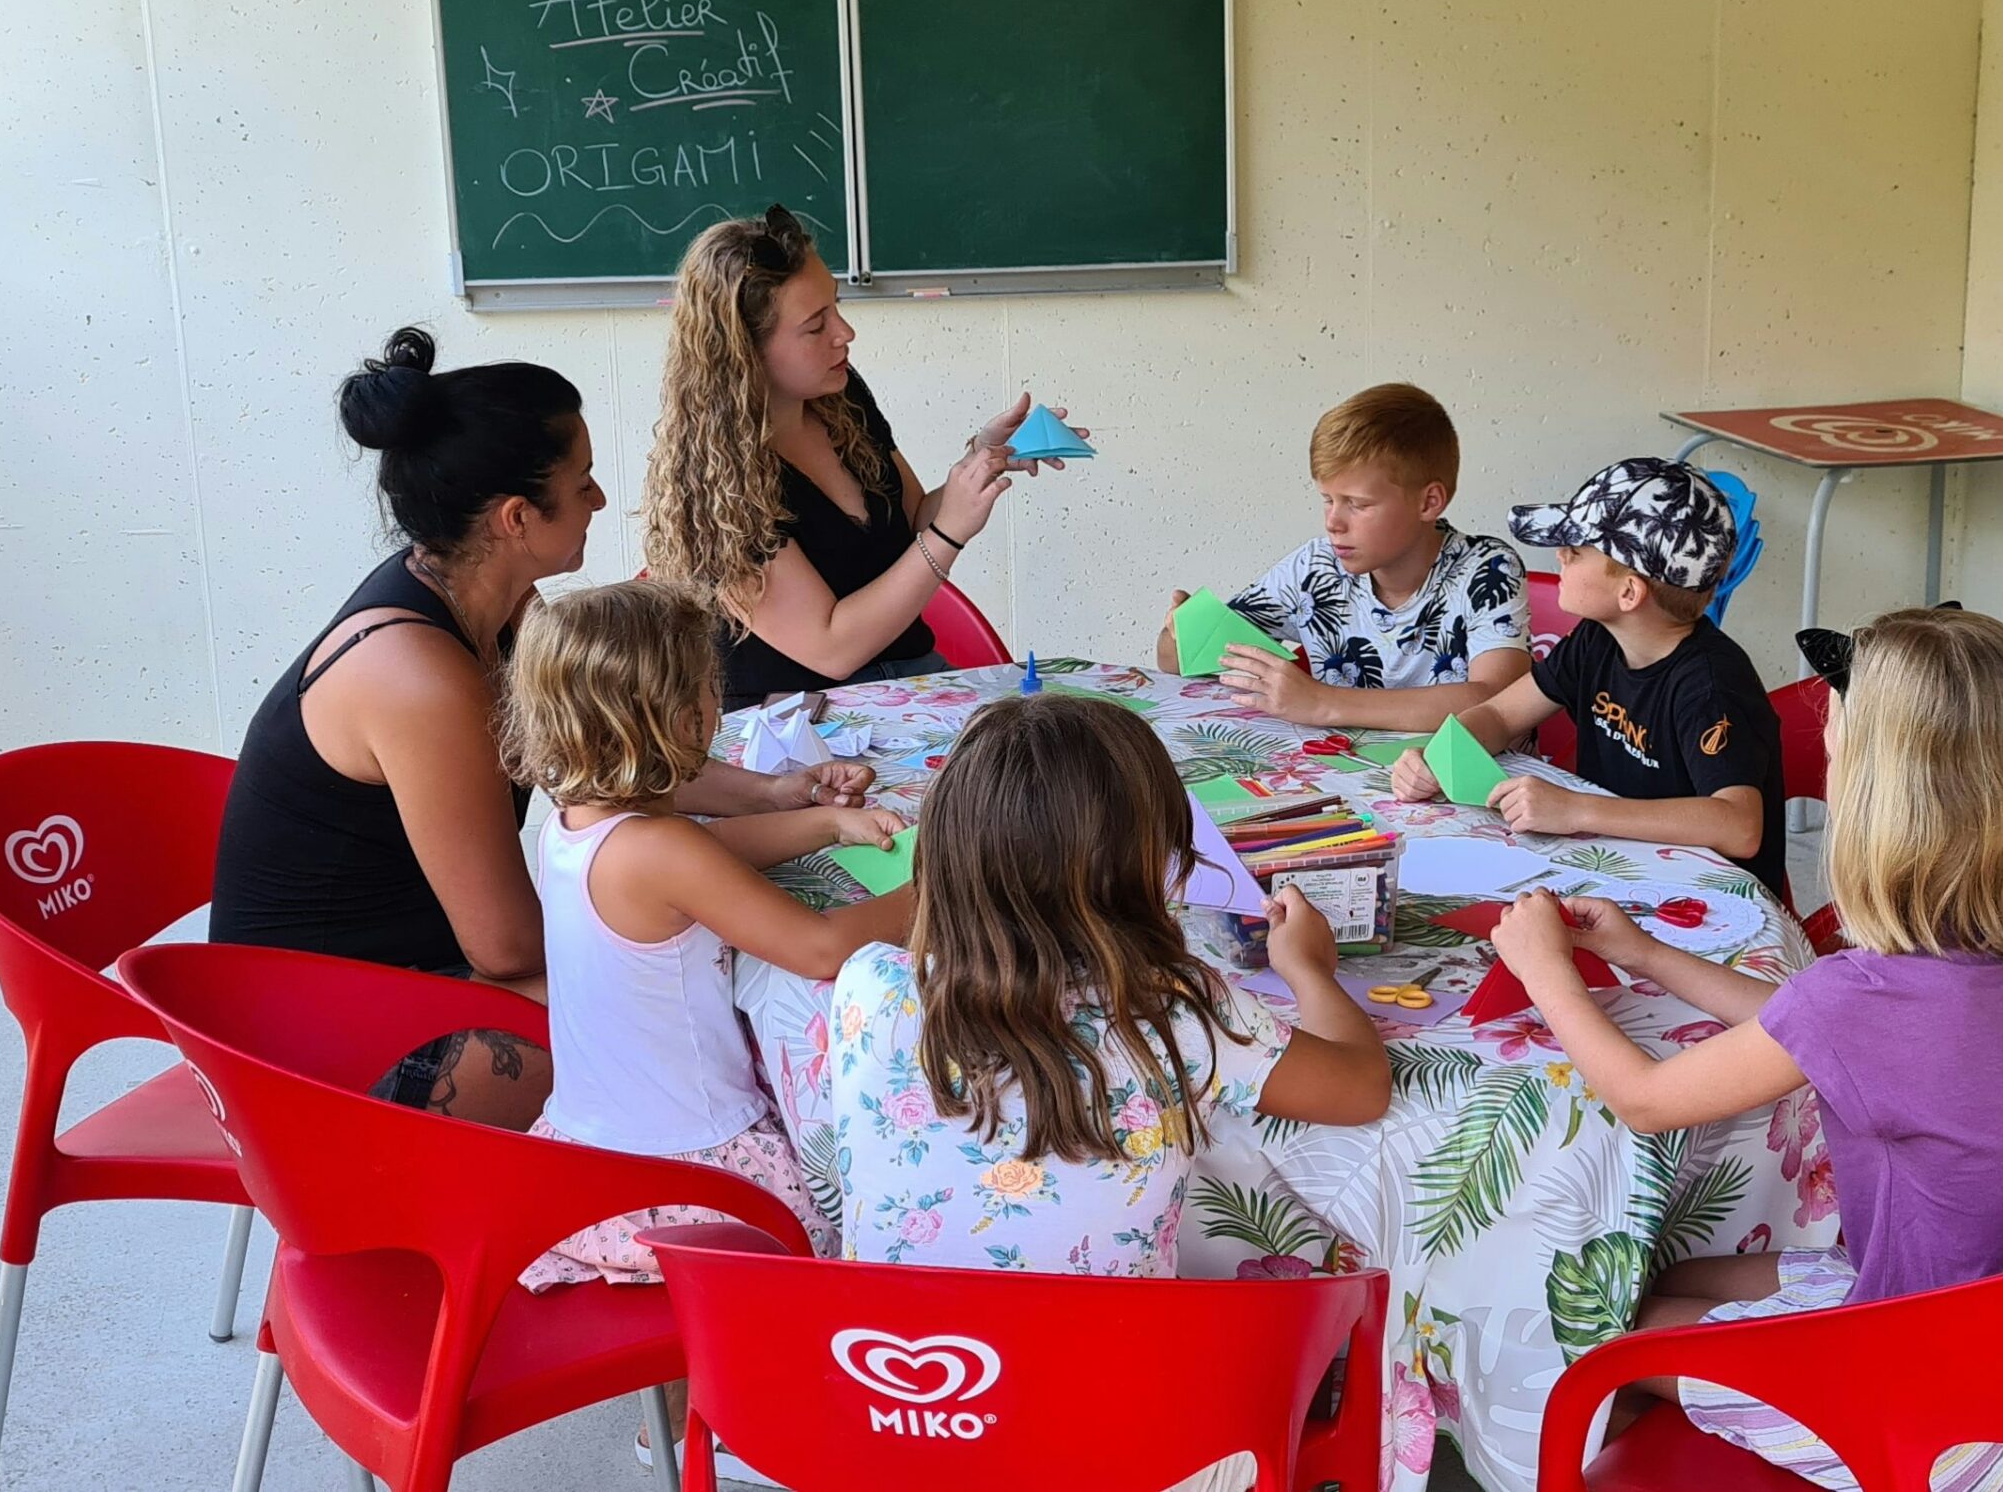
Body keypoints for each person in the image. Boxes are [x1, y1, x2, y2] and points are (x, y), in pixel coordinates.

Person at [1489, 607, 2003, 1491]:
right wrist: (1645, 952)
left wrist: (1546, 970)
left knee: (1601, 1329)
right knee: (1673, 1273)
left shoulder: (1861, 998)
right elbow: (1810, 1027)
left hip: (1920, 1412)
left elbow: (1646, 1099)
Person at [209, 328, 879, 1118]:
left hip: (412, 976)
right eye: (583, 481)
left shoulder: (493, 601)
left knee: (708, 956)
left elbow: (610, 751)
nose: (600, 500)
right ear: (517, 517)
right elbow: (509, 946)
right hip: (312, 1048)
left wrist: (773, 794)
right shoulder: (418, 678)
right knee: (692, 1006)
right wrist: (690, 884)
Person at [501, 580, 909, 1484]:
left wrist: (824, 821)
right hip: (696, 1165)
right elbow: (818, 947)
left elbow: (709, 857)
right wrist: (945, 881)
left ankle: (688, 1419)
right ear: (681, 717)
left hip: (598, 1154)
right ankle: (729, 1431)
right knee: (861, 1203)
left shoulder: (576, 826)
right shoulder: (660, 849)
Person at [831, 693, 1391, 1276]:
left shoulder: (868, 983)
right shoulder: (1174, 1009)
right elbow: (1360, 1087)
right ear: (1141, 863)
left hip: (882, 1334)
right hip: (1116, 1340)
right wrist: (1308, 969)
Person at [642, 207, 1086, 709]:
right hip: (796, 717)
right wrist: (951, 532)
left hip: (909, 683)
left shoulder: (842, 398)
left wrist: (979, 462)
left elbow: (915, 521)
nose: (845, 332)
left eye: (835, 306)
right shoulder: (710, 479)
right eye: (816, 326)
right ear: (745, 351)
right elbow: (832, 650)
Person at [1390, 456, 1788, 902]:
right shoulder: (1597, 639)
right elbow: (1501, 715)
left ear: (1629, 592)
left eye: (1576, 551)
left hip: (1705, 901)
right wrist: (1439, 754)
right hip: (1621, 867)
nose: (1560, 555)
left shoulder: (1712, 686)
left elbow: (1739, 827)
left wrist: (1576, 809)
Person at [1155, 382, 1530, 730]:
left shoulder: (1488, 568)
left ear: (1429, 502)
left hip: (1469, 779)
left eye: (1357, 504)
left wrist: (1322, 702)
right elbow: (1178, 663)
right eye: (1328, 500)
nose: (1333, 522)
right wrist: (1182, 633)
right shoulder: (1315, 567)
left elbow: (1498, 700)